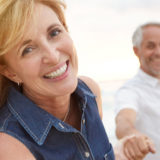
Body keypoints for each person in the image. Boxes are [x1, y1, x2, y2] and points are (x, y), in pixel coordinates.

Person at [0, 0, 115, 159]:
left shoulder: (90, 92)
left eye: (54, 33)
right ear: (10, 72)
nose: (53, 57)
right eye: (28, 50)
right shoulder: (8, 145)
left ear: (66, 29)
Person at [114, 22, 160, 160]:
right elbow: (123, 121)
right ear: (136, 51)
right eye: (150, 46)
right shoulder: (129, 90)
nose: (158, 52)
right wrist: (134, 137)